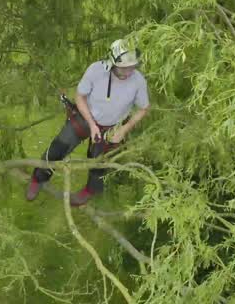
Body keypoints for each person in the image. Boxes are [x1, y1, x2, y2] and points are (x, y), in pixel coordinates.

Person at [26, 40, 150, 206]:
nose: (129, 71)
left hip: (112, 126)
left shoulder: (138, 81)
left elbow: (143, 109)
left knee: (99, 162)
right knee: (59, 146)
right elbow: (80, 97)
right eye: (124, 67)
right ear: (113, 63)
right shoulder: (96, 71)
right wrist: (92, 125)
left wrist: (123, 130)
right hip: (85, 117)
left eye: (132, 67)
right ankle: (38, 178)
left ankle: (89, 191)